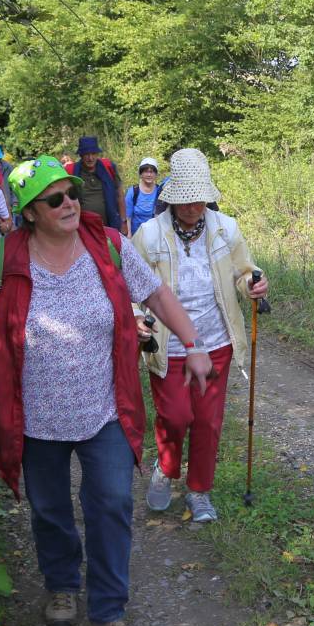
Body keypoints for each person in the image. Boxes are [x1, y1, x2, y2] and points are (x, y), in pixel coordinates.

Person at [0, 156, 212, 626]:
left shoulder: (108, 247)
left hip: (105, 408)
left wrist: (193, 344)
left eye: (71, 194)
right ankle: (62, 584)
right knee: (50, 510)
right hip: (34, 417)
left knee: (111, 504)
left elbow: (156, 295)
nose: (70, 203)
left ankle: (108, 616)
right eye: (55, 199)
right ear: (29, 212)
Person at [131, 148, 268, 523]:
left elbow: (244, 272)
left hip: (216, 341)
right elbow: (131, 287)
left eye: (199, 198)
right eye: (185, 199)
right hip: (169, 345)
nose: (192, 206)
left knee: (207, 421)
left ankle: (199, 492)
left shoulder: (227, 228)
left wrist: (253, 285)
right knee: (175, 416)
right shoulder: (149, 234)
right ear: (172, 197)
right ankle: (165, 467)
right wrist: (136, 318)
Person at [65, 136, 125, 232]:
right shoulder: (72, 172)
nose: (90, 158)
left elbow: (120, 195)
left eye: (93, 153)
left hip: (110, 226)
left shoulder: (108, 168)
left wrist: (123, 222)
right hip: (83, 229)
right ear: (81, 155)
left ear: (97, 154)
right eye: (86, 154)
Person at [125, 157, 162, 233]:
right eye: (145, 172)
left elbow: (161, 216)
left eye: (151, 172)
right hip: (135, 234)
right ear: (141, 174)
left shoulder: (159, 191)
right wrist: (129, 235)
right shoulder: (133, 191)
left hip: (153, 233)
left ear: (156, 174)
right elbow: (128, 217)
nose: (149, 174)